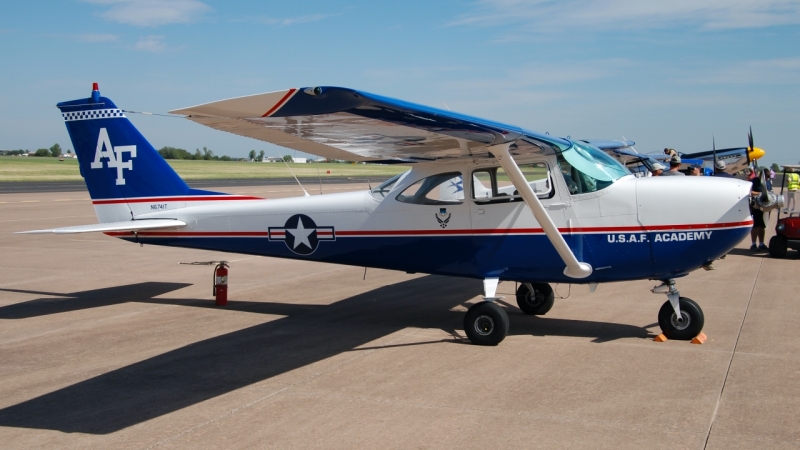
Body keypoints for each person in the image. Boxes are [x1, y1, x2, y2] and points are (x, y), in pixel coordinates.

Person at [748, 168, 767, 251]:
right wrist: (761, 193)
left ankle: (761, 243)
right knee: (755, 225)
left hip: (763, 206)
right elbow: (750, 192)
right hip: (755, 206)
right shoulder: (754, 181)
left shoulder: (767, 182)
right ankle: (753, 244)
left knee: (762, 225)